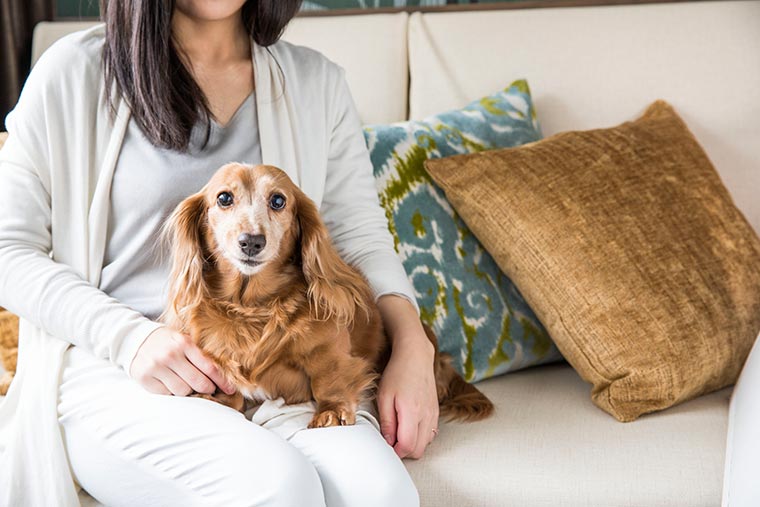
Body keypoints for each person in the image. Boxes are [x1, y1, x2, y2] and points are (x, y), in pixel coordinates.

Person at [0, 1, 439, 505]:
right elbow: (7, 247)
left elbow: (360, 237)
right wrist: (128, 338)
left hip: (280, 366)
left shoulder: (318, 83)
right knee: (279, 485)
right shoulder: (71, 74)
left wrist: (413, 346)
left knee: (381, 494)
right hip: (118, 371)